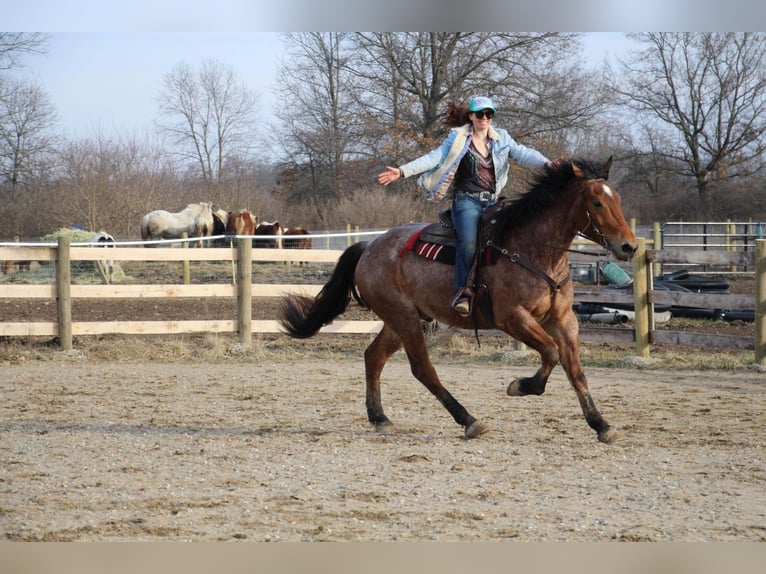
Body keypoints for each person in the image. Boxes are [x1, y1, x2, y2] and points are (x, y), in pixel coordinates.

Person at [377, 95, 555, 316]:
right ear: (471, 116)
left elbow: (523, 153)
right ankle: (463, 292)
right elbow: (434, 158)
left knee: (515, 237)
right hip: (467, 201)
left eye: (489, 114)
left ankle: (506, 289)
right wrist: (402, 171)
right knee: (469, 243)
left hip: (493, 201)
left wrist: (547, 163)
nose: (484, 118)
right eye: (480, 114)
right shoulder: (458, 137)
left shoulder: (502, 139)